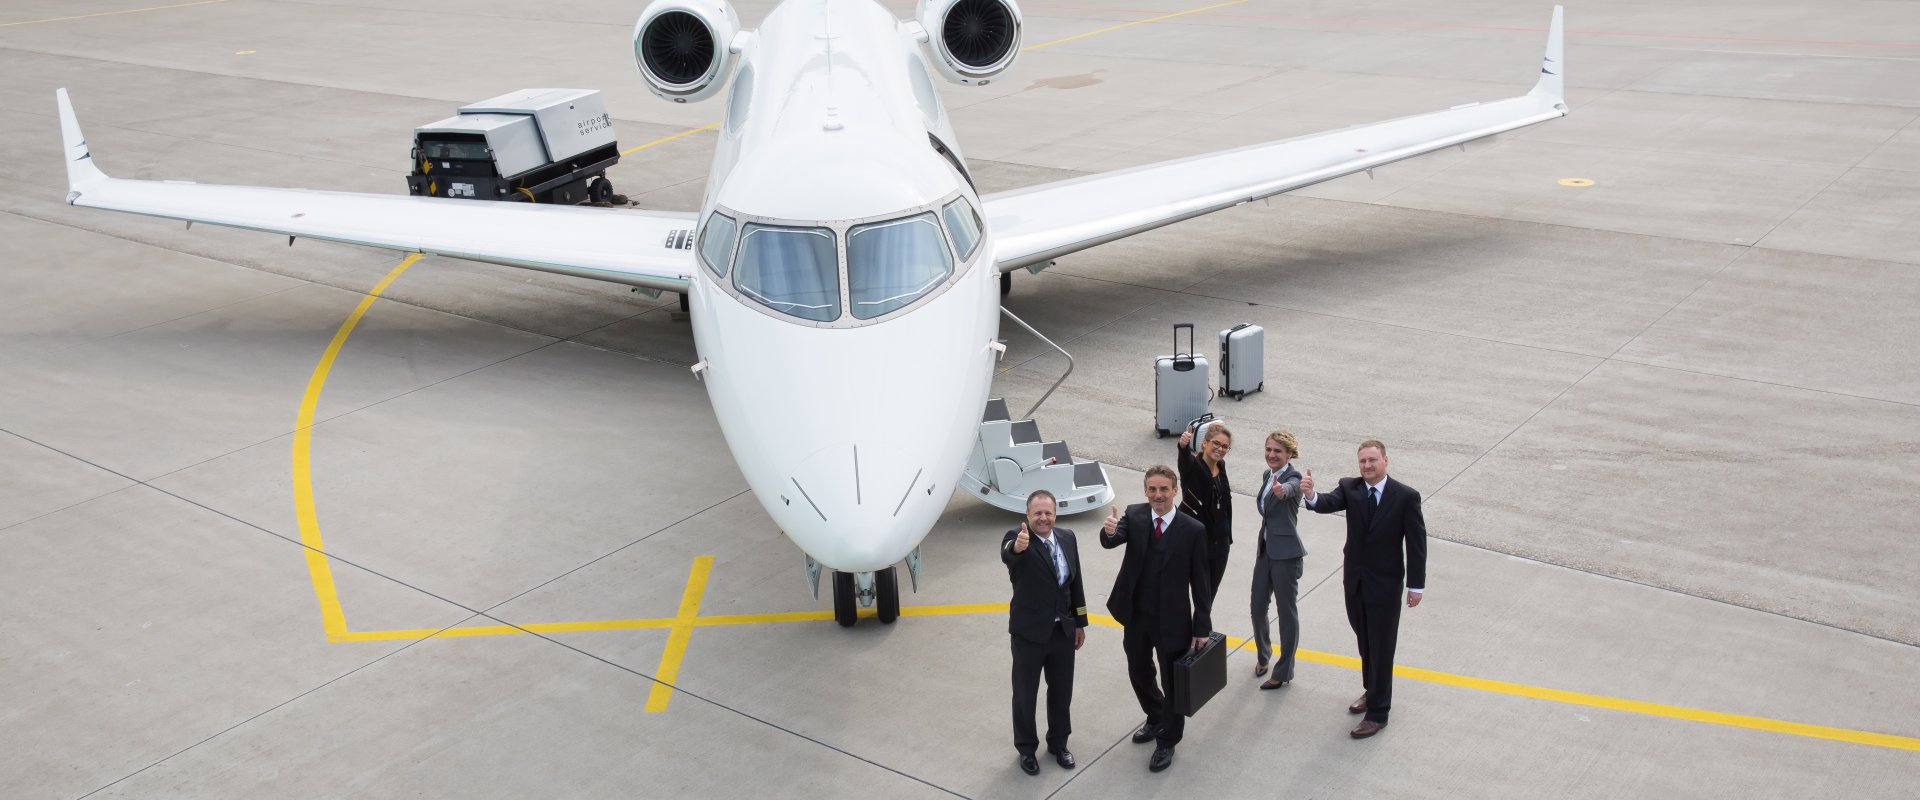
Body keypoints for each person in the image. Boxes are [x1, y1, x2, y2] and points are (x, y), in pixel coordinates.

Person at [1300, 439, 1427, 739]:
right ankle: (1372, 690)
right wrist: (1311, 495)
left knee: (1382, 646)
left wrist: (1416, 585)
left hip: (1385, 585)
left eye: (1373, 460)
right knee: (1365, 642)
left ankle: (1379, 712)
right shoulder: (1351, 487)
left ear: (1385, 460)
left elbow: (1416, 543)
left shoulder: (1406, 496)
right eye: (1362, 462)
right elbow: (1327, 503)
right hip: (1355, 582)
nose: (1367, 466)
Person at [1100, 466, 1212, 773]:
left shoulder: (1193, 530)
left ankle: (1167, 740)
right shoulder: (1135, 515)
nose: (1158, 495)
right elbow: (1112, 539)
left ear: (1175, 491)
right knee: (1138, 670)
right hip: (1136, 614)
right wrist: (1108, 530)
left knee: (1172, 682)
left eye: (1164, 489)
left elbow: (1201, 583)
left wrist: (1202, 625)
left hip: (1173, 620)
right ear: (1145, 490)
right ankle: (1155, 715)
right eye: (1152, 489)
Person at [1001, 490, 1089, 776]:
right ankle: (1026, 748)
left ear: (1056, 514)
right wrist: (1017, 546)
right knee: (1025, 694)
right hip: (1029, 635)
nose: (1043, 518)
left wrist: (1079, 623)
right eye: (1037, 513)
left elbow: (1076, 583)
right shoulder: (1018, 538)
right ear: (1027, 515)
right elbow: (1008, 554)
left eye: (1048, 512)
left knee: (1062, 691)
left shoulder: (1067, 538)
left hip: (1062, 631)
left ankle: (1059, 743)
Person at [1251, 430, 1304, 690]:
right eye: (1269, 449)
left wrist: (1283, 490)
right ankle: (1264, 654)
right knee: (1257, 606)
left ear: (1289, 454)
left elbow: (1291, 489)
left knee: (1286, 612)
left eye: (1278, 451)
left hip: (1285, 555)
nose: (1271, 455)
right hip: (1266, 551)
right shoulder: (1267, 475)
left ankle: (1283, 671)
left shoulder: (1293, 478)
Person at [1176, 422, 1234, 602]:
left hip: (1221, 541)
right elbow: (1184, 461)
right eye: (1216, 443)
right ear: (1205, 443)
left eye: (1225, 446)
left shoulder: (1221, 466)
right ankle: (1194, 629)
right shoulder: (1193, 467)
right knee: (1199, 593)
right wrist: (1183, 446)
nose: (1220, 448)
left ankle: (1202, 630)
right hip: (1198, 542)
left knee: (1210, 594)